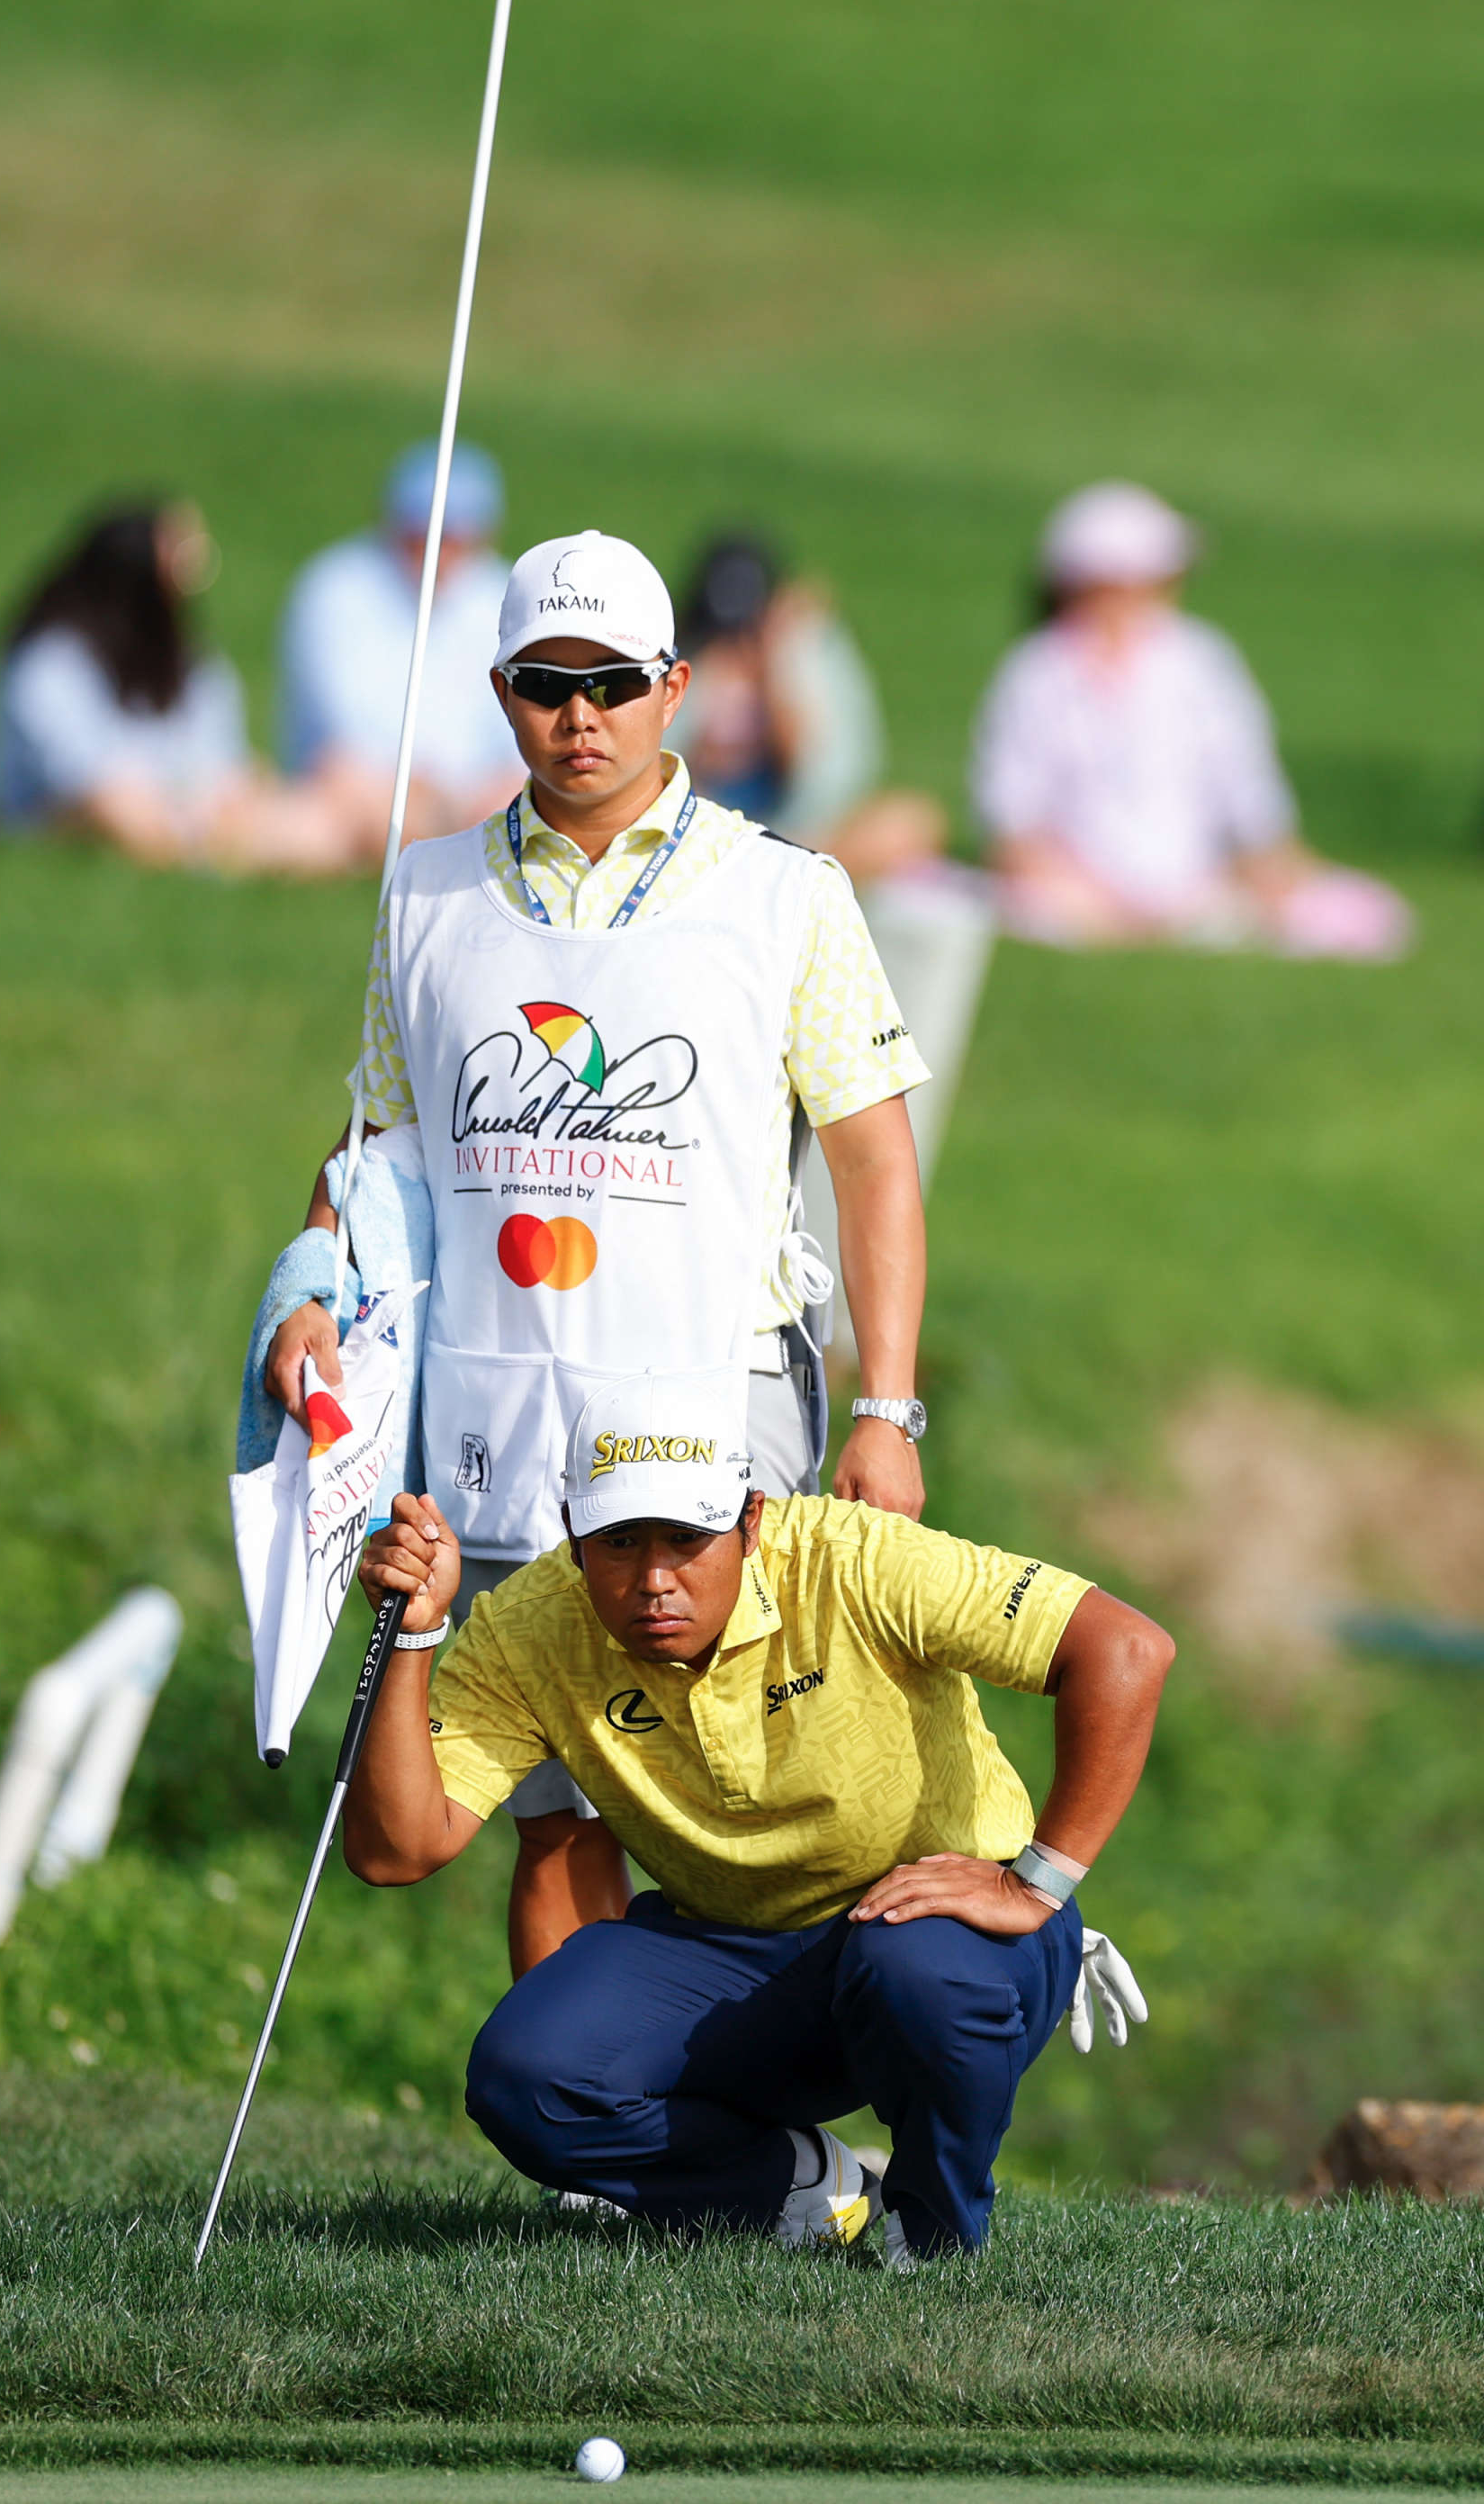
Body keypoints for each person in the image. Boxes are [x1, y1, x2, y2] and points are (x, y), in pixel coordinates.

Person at [260, 528, 933, 1977]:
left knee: (728, 1787)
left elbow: (875, 1156)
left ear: (677, 686)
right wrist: (308, 1285)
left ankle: (762, 2119)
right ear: (500, 690)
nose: (582, 716)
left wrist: (886, 1408)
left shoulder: (786, 890)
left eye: (615, 682)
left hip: (715, 1385)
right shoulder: (423, 891)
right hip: (501, 1399)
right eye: (547, 684)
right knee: (561, 1815)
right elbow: (378, 1149)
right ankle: (608, 2177)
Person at [348, 1368, 1174, 2264]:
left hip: (936, 1929)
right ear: (571, 1533)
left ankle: (931, 2241)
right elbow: (396, 1849)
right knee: (529, 2078)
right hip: (729, 1949)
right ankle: (796, 2187)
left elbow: (1125, 1649)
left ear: (750, 1519)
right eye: (620, 1541)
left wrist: (1039, 1881)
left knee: (926, 1978)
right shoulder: (530, 1625)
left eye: (686, 1538)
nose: (654, 1578)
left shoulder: (855, 1557)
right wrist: (415, 1638)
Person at [972, 482, 1413, 957]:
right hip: (1069, 889)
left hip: (1197, 886)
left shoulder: (1201, 659)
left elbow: (1247, 790)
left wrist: (1270, 867)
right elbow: (1012, 821)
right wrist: (1089, 895)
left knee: (1364, 913)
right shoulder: (1036, 671)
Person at [0, 500, 348, 875]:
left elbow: (224, 763)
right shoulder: (51, 662)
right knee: (123, 810)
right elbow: (91, 790)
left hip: (192, 816)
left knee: (311, 817)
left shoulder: (187, 659)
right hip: (72, 822)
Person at [276, 440, 523, 860]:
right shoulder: (334, 588)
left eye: (455, 541)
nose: (438, 555)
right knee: (327, 800)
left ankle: (430, 840)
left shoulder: (505, 592)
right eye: (422, 538)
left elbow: (515, 729)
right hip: (365, 786)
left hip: (475, 791)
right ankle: (447, 843)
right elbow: (337, 728)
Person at [672, 531, 945, 882]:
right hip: (714, 828)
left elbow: (818, 774)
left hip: (804, 829)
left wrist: (776, 668)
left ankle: (778, 869)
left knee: (912, 821)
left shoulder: (806, 653)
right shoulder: (687, 662)